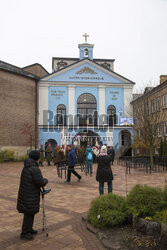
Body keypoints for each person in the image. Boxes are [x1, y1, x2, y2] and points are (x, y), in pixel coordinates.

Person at [17, 150, 48, 240]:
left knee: (30, 212)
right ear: (37, 158)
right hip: (30, 195)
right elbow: (40, 182)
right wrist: (45, 180)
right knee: (29, 213)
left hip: (26, 193)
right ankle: (24, 233)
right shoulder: (34, 168)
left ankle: (29, 229)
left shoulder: (27, 166)